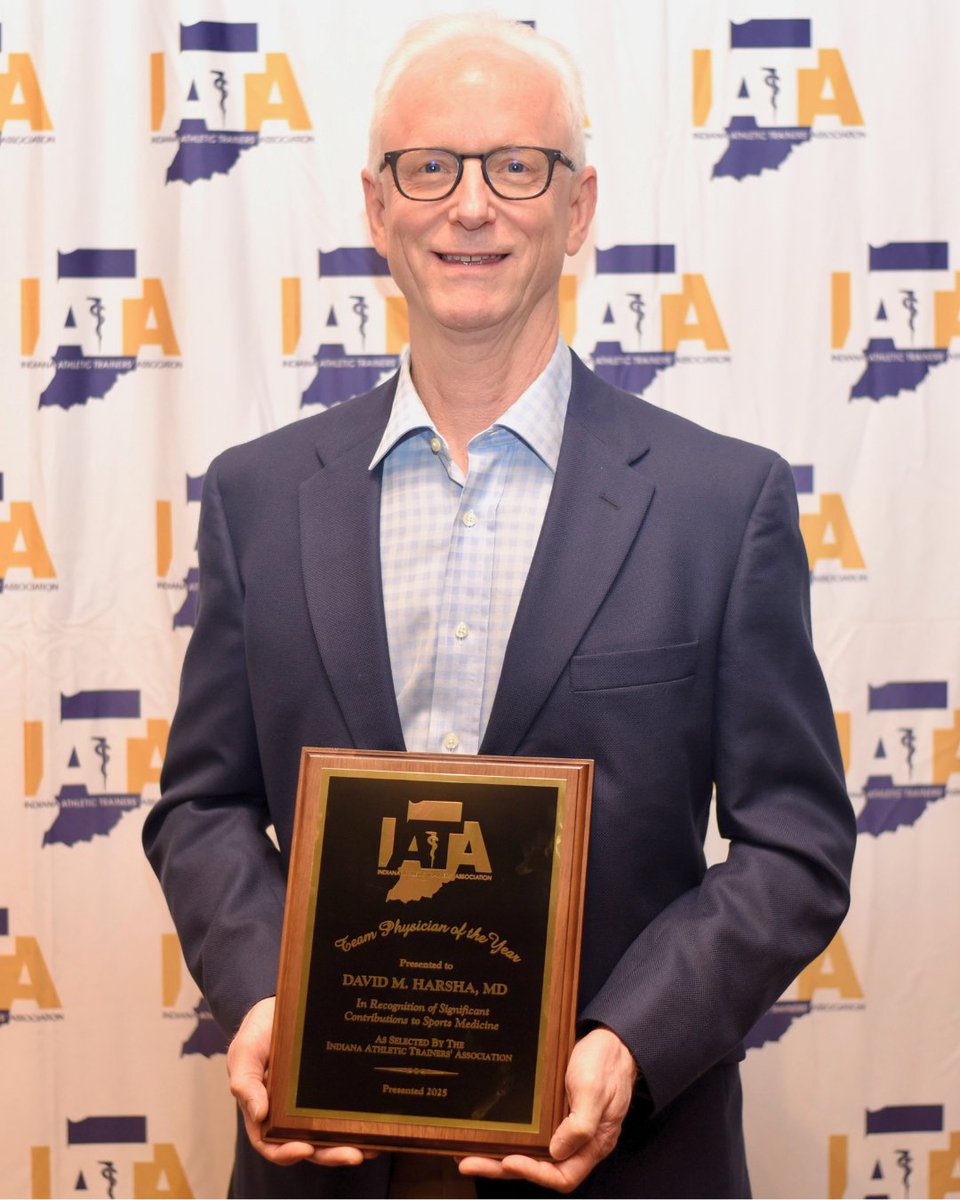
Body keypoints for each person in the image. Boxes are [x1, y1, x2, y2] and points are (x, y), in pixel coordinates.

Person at [144, 13, 856, 1199]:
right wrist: (270, 998)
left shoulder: (720, 504)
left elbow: (797, 843)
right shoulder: (257, 498)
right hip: (324, 1166)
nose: (470, 208)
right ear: (377, 207)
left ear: (578, 207)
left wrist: (632, 1041)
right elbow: (204, 805)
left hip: (625, 1165)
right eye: (430, 167)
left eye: (517, 166)